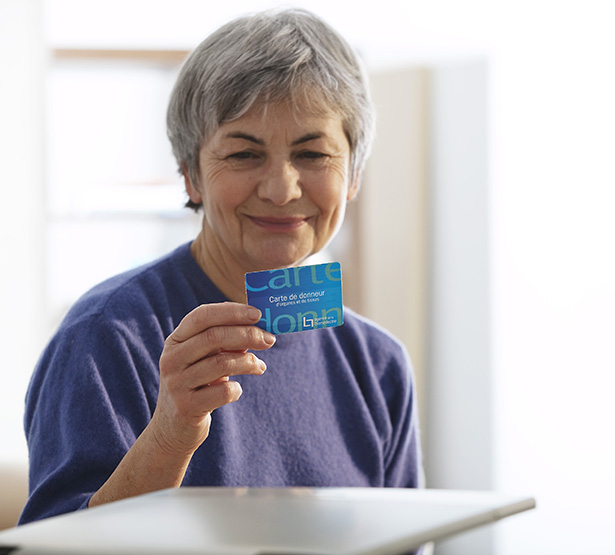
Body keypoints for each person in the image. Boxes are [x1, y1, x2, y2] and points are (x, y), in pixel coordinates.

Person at [19, 8, 422, 525]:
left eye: (313, 154)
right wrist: (170, 434)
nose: (281, 189)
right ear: (190, 176)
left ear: (354, 176)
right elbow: (57, 543)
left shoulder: (378, 365)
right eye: (243, 155)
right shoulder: (106, 337)